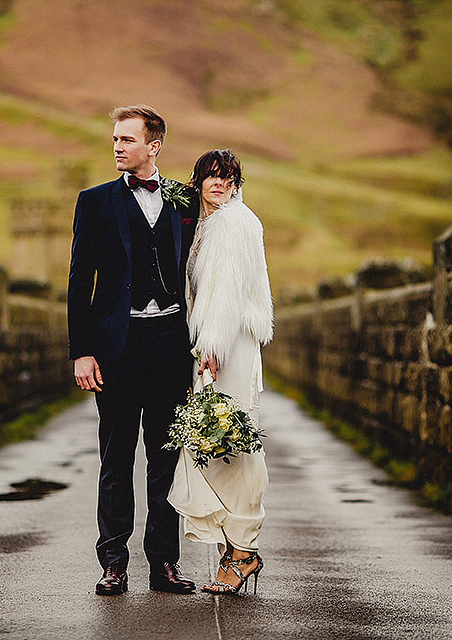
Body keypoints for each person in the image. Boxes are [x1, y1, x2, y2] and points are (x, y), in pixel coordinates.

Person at [67, 105, 198, 596]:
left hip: (170, 346)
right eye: (115, 139)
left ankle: (164, 563)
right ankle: (113, 563)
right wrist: (83, 351)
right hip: (116, 349)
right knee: (116, 457)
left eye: (127, 139)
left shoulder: (185, 201)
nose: (117, 146)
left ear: (154, 145)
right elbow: (80, 283)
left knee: (166, 459)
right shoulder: (95, 201)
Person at [167, 149, 273, 595]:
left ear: (236, 182)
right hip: (213, 344)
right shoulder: (208, 223)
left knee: (230, 446)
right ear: (198, 182)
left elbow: (226, 293)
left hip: (226, 347)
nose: (218, 184)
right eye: (210, 176)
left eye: (226, 177)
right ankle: (236, 550)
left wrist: (210, 349)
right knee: (217, 444)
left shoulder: (233, 223)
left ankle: (243, 552)